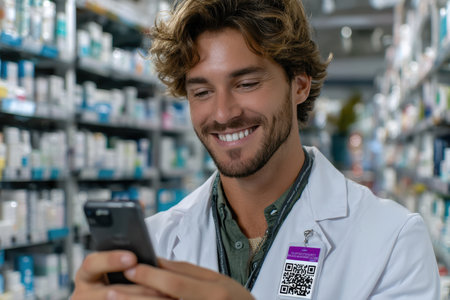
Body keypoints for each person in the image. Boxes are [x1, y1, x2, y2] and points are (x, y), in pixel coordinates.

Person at [72, 0, 440, 299]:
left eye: (246, 83)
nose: (223, 113)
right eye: (201, 92)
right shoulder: (156, 244)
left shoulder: (392, 240)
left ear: (298, 85)